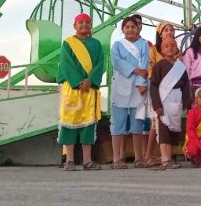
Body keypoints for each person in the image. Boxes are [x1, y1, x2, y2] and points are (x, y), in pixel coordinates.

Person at [57, 13, 104, 171]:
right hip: (72, 88)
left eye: (87, 22)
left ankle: (87, 160)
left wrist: (90, 80)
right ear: (75, 26)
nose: (84, 25)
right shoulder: (68, 44)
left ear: (91, 26)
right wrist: (78, 81)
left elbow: (100, 63)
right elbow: (66, 64)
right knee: (69, 123)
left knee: (88, 126)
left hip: (89, 88)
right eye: (80, 22)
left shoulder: (96, 44)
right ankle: (69, 160)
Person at [109, 15, 150, 169]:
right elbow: (117, 62)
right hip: (120, 86)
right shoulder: (117, 45)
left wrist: (141, 82)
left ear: (137, 28)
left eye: (133, 26)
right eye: (127, 27)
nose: (130, 29)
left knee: (137, 123)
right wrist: (134, 70)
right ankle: (116, 159)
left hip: (138, 87)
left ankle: (139, 158)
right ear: (123, 29)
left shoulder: (144, 44)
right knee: (118, 123)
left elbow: (145, 64)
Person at [150, 34, 192, 170]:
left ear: (177, 50)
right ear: (162, 50)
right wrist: (157, 105)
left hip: (176, 100)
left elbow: (186, 86)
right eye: (166, 46)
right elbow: (154, 86)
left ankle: (170, 158)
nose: (170, 48)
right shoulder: (159, 65)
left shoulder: (181, 67)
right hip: (163, 100)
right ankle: (165, 158)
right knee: (163, 129)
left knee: (173, 130)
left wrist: (187, 103)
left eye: (173, 46)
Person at [144, 21, 173, 167]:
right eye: (166, 30)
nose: (169, 32)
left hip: (173, 93)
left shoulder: (176, 50)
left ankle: (163, 155)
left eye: (171, 30)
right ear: (160, 33)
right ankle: (149, 155)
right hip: (159, 89)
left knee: (165, 123)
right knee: (156, 122)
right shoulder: (154, 50)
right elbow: (150, 68)